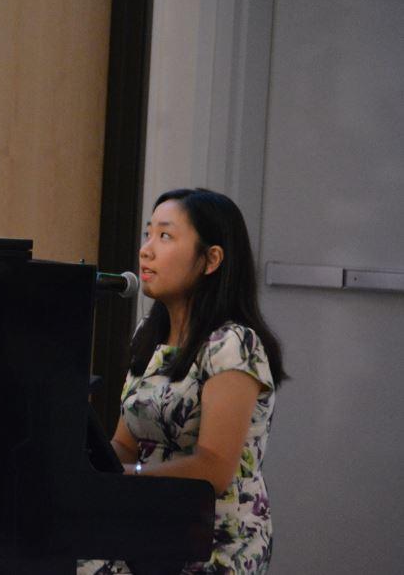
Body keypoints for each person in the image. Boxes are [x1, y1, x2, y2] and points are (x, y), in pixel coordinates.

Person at [79, 188, 286, 575]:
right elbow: (124, 444)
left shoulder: (232, 343)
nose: (146, 250)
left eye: (165, 236)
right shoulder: (149, 334)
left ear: (211, 260)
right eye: (147, 234)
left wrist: (125, 480)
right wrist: (83, 474)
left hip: (211, 540)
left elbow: (213, 468)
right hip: (149, 524)